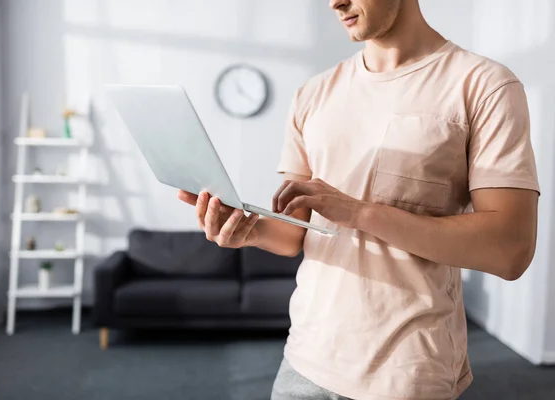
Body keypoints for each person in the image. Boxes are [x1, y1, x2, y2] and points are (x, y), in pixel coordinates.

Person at [179, 0, 540, 398]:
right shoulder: (313, 93)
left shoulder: (484, 84)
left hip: (407, 373)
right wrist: (245, 229)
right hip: (305, 359)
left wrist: (358, 211)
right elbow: (291, 235)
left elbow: (510, 250)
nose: (335, 3)